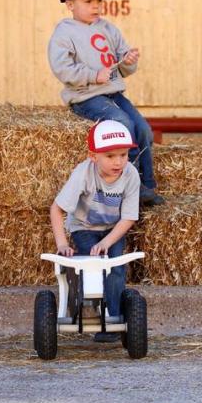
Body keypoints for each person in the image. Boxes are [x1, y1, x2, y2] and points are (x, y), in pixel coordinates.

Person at [47, 0, 164, 206]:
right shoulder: (64, 32)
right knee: (123, 123)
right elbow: (62, 68)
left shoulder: (108, 29)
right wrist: (92, 75)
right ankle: (130, 184)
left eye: (99, 1)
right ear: (70, 4)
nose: (96, 6)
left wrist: (129, 61)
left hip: (113, 92)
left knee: (142, 129)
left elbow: (120, 66)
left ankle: (147, 184)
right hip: (86, 96)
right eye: (88, 1)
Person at [50, 119, 140, 343]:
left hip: (113, 229)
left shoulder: (131, 175)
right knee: (92, 269)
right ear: (93, 156)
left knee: (116, 268)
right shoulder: (83, 173)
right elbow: (57, 209)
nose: (118, 162)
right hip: (85, 227)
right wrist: (62, 244)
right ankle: (86, 309)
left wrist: (107, 243)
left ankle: (113, 320)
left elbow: (129, 217)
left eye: (123, 155)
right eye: (110, 156)